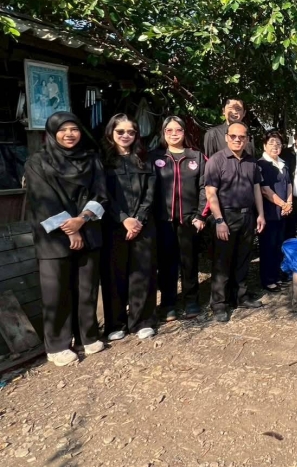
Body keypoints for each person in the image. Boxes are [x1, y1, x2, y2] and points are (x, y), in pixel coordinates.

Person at [24, 112, 107, 366]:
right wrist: (71, 229)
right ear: (51, 133)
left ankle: (87, 336)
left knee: (86, 287)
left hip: (88, 228)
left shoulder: (91, 159)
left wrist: (81, 220)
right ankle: (58, 345)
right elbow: (42, 199)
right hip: (53, 236)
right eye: (63, 129)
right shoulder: (37, 162)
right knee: (56, 290)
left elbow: (101, 194)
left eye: (74, 129)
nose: (69, 134)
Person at [100, 113, 158, 341]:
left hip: (143, 225)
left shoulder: (144, 159)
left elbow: (150, 192)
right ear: (111, 133)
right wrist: (123, 218)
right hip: (114, 225)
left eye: (131, 132)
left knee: (143, 272)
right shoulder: (102, 161)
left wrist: (138, 219)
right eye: (120, 131)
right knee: (114, 274)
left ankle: (142, 320)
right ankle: (115, 323)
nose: (126, 136)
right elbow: (102, 194)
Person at [204, 121, 266, 322]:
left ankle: (240, 296)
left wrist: (260, 214)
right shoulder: (216, 160)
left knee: (243, 259)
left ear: (247, 139)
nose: (238, 140)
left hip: (248, 216)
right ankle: (219, 303)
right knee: (222, 262)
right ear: (226, 137)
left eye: (242, 137)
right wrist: (219, 220)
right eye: (233, 136)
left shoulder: (251, 162)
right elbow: (210, 193)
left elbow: (256, 189)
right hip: (226, 217)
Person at [149, 116, 207, 321]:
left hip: (189, 220)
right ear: (163, 133)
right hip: (163, 221)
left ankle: (191, 301)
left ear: (184, 132)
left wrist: (200, 215)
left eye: (178, 130)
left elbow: (205, 187)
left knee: (189, 262)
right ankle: (168, 303)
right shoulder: (154, 157)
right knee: (166, 264)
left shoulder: (196, 157)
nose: (174, 134)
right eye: (169, 130)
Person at [258, 130, 292, 293]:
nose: (275, 146)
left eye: (278, 143)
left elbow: (289, 184)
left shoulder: (283, 163)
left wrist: (289, 203)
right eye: (271, 143)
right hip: (269, 213)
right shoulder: (261, 164)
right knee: (268, 247)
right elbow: (265, 190)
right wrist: (283, 204)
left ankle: (278, 276)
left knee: (279, 246)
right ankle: (268, 279)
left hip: (283, 213)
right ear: (264, 145)